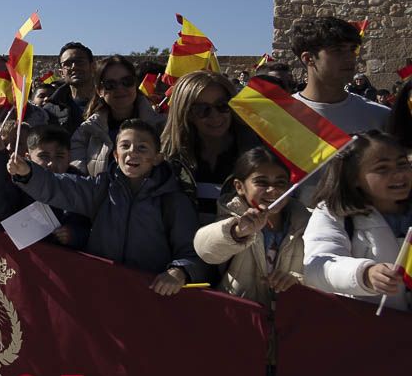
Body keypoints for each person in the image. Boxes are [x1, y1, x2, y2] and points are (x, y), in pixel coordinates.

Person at [7, 119, 204, 294]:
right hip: (100, 289)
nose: (132, 152)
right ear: (116, 156)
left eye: (142, 148)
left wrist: (179, 272)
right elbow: (61, 187)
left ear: (157, 158)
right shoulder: (101, 187)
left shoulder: (173, 200)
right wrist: (27, 173)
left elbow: (192, 251)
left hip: (148, 295)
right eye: (125, 146)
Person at [303, 130, 411, 311]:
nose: (399, 175)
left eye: (402, 164)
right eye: (382, 168)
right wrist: (365, 274)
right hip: (370, 329)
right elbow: (317, 267)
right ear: (354, 178)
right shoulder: (334, 213)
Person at [193, 147, 309, 305]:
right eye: (262, 182)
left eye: (280, 183)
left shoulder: (307, 221)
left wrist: (297, 280)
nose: (273, 190)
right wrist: (237, 232)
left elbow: (321, 272)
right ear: (239, 187)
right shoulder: (232, 217)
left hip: (289, 320)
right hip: (239, 318)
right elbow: (205, 251)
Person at [161, 71, 258, 226]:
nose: (215, 115)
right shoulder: (167, 158)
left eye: (222, 106)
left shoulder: (256, 155)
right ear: (186, 113)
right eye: (202, 109)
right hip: (182, 247)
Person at [0, 123, 89, 247]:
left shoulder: (79, 185)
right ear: (28, 157)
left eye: (59, 156)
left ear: (69, 158)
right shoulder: (19, 181)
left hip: (61, 260)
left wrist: (74, 235)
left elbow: (92, 230)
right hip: (23, 257)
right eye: (44, 156)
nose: (51, 163)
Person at [289, 17, 389, 133]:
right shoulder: (280, 116)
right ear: (308, 58)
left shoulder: (380, 117)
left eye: (352, 49)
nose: (350, 58)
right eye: (337, 50)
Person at [70, 56, 164, 178]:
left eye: (127, 81)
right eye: (110, 84)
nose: (120, 88)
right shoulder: (86, 132)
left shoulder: (162, 127)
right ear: (99, 91)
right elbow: (78, 178)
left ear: (135, 84)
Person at [44, 42, 97, 134]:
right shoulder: (50, 111)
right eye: (67, 64)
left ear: (93, 67)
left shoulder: (109, 102)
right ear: (61, 73)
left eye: (80, 62)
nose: (74, 67)